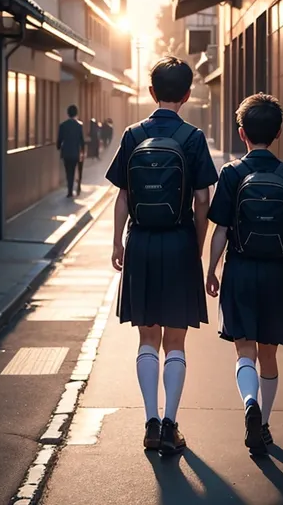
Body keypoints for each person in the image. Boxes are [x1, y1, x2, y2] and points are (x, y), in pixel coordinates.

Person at [106, 57, 218, 455]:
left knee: (147, 337)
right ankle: (171, 425)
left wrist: (118, 242)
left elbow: (122, 195)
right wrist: (198, 243)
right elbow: (203, 198)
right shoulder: (192, 137)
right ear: (187, 95)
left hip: (141, 243)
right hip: (179, 241)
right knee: (176, 340)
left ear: (151, 92)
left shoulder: (133, 133)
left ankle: (150, 423)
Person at [206, 93, 283, 456]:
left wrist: (211, 268)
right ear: (279, 132)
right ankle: (263, 424)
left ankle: (248, 401)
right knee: (269, 354)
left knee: (244, 350)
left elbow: (219, 228)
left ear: (241, 133)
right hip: (276, 273)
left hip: (240, 269)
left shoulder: (232, 174)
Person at [56, 105, 85, 198]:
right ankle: (78, 186)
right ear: (76, 113)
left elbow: (59, 139)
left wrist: (59, 147)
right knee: (77, 170)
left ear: (68, 113)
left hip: (66, 152)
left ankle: (70, 191)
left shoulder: (63, 125)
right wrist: (82, 151)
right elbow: (82, 140)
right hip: (76, 152)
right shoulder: (79, 125)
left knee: (69, 171)